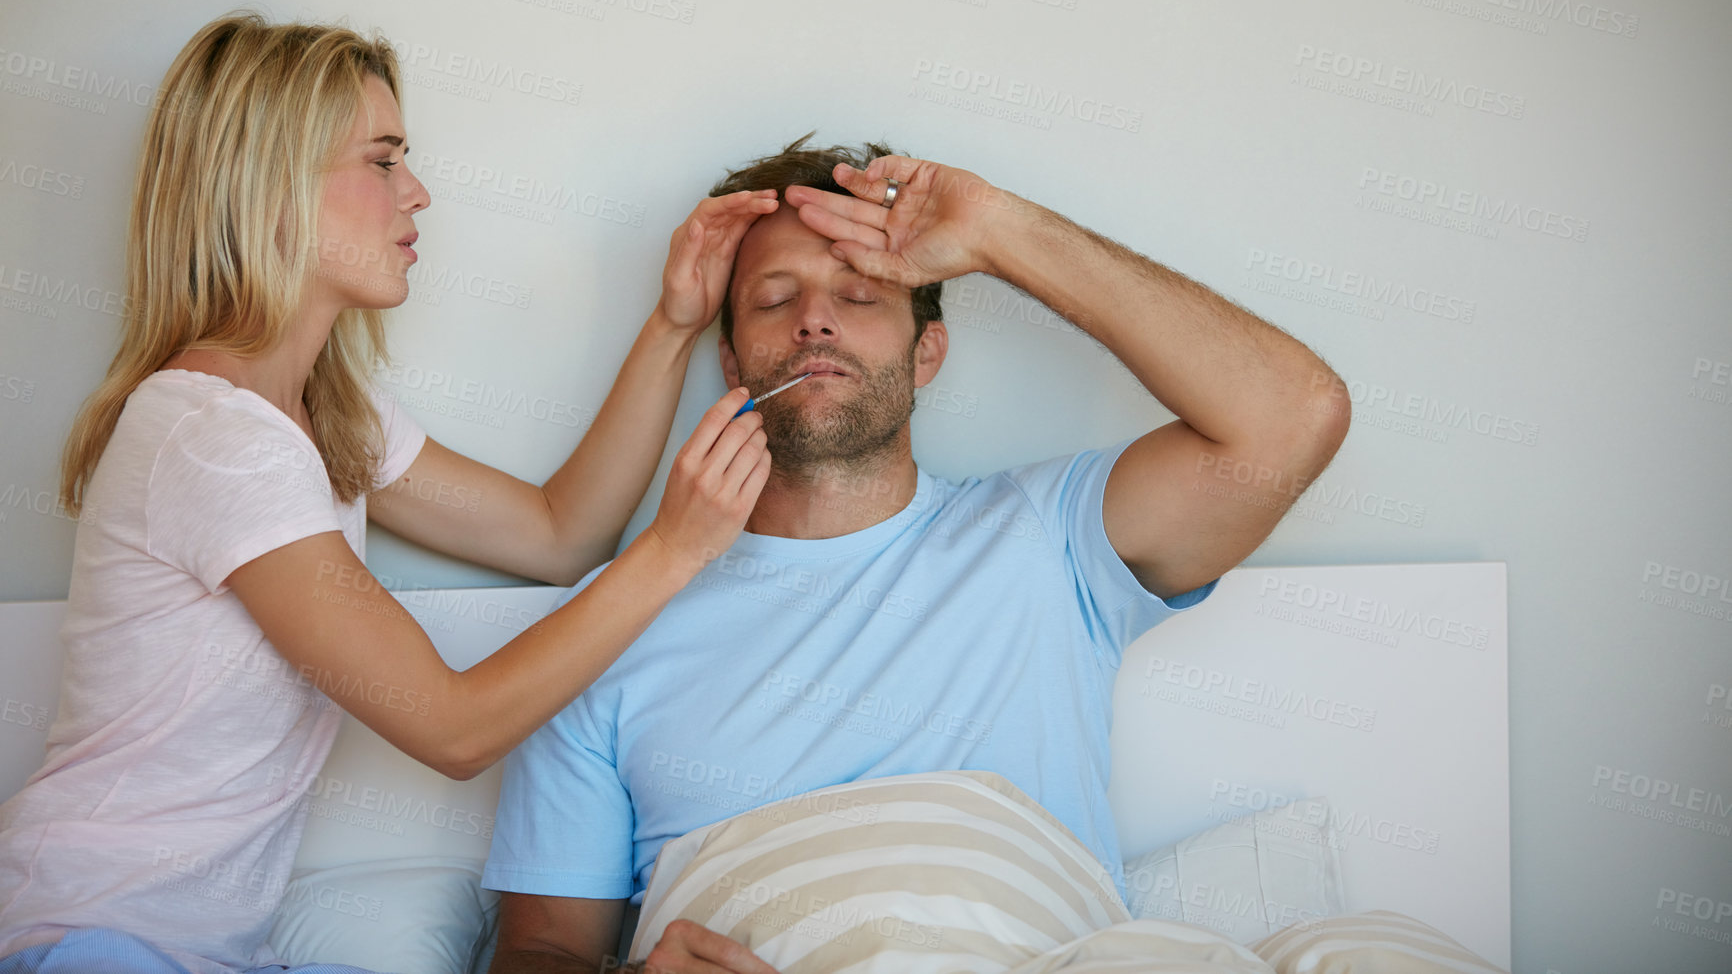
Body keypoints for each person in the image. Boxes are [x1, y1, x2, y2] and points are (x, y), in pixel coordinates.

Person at [0, 14, 778, 974]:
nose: (417, 192)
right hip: (87, 940)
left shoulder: (328, 414)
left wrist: (673, 322)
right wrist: (677, 550)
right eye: (381, 161)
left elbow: (559, 533)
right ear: (269, 186)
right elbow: (455, 731)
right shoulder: (213, 439)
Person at [483, 137, 1353, 973]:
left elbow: (1293, 418)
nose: (816, 320)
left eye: (860, 297)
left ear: (926, 350)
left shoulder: (1053, 535)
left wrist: (996, 231)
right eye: (774, 299)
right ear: (730, 363)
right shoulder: (605, 628)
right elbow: (537, 955)